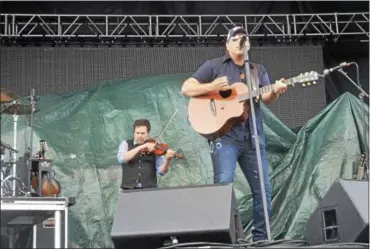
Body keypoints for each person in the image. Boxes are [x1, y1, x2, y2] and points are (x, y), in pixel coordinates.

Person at [181, 27, 288, 242]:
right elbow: (187, 88)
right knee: (224, 183)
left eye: (244, 39)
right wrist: (211, 86)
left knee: (263, 190)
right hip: (226, 138)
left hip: (253, 139)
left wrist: (275, 90)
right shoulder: (214, 66)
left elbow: (266, 98)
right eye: (236, 39)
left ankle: (261, 238)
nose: (241, 42)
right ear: (227, 45)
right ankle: (222, 237)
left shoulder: (258, 70)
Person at [117, 119, 176, 190]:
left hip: (149, 190)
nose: (140, 136)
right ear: (134, 133)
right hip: (128, 189)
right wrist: (142, 146)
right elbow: (122, 159)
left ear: (148, 133)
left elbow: (161, 172)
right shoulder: (125, 144)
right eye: (137, 133)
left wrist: (168, 160)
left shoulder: (155, 146)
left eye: (143, 133)